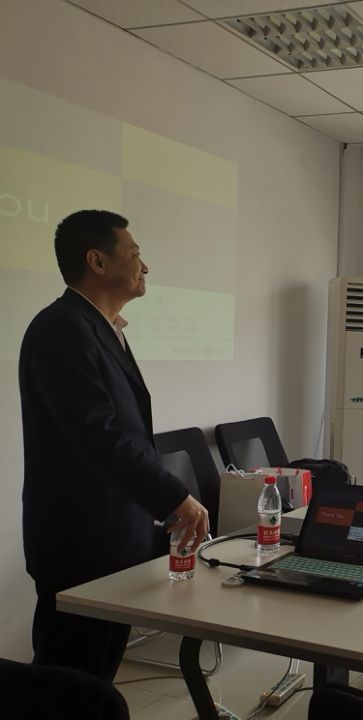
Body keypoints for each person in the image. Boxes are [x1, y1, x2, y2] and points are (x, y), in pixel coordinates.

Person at [19, 210, 208, 682]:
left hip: (113, 539)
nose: (145, 267)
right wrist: (175, 497)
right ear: (98, 261)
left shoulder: (102, 328)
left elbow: (124, 434)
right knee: (66, 684)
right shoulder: (62, 328)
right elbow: (98, 435)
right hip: (79, 543)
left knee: (96, 678)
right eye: (135, 254)